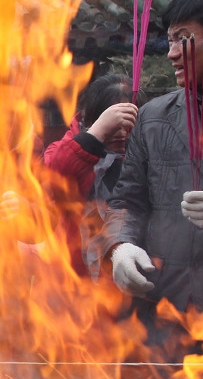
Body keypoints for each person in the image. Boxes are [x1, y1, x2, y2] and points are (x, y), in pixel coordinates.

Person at [106, 0, 203, 355]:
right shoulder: (153, 117)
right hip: (164, 321)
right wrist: (121, 246)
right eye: (169, 41)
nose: (172, 54)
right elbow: (126, 202)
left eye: (183, 39)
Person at [41, 73, 136, 277]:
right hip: (73, 279)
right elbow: (54, 179)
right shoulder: (63, 149)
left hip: (124, 278)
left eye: (127, 125)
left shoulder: (141, 157)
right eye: (113, 125)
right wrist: (95, 135)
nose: (121, 134)